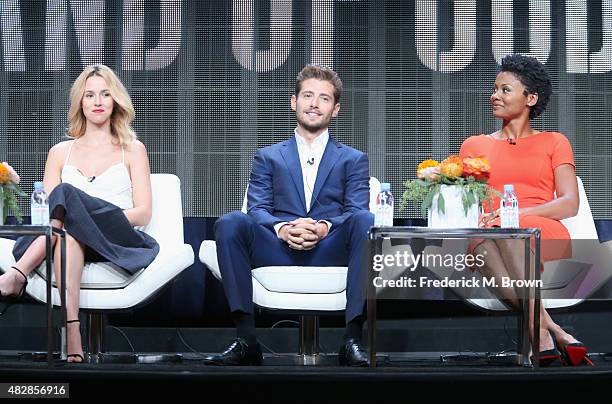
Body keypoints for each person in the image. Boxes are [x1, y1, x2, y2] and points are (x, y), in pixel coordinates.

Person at [206, 64, 374, 366]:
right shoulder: (268, 156)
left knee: (367, 222)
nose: (314, 103)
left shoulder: (353, 159)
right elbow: (257, 210)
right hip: (278, 248)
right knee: (232, 222)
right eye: (307, 96)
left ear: (336, 109)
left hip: (329, 249)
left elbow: (356, 211)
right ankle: (246, 340)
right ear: (293, 102)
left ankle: (352, 340)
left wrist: (323, 227)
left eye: (324, 99)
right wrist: (283, 228)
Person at [0, 64, 159, 363]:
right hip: (64, 240)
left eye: (105, 94)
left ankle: (17, 274)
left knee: (67, 197)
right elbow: (48, 214)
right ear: (80, 103)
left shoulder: (133, 149)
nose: (97, 102)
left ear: (115, 101)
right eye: (89, 95)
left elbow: (143, 213)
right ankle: (72, 328)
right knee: (68, 227)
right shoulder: (60, 152)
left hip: (114, 239)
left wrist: (92, 216)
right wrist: (78, 220)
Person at [460, 54, 590, 366]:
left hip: (545, 232)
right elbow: (466, 201)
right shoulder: (474, 145)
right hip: (491, 237)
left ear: (530, 98)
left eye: (505, 90)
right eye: (495, 89)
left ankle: (543, 333)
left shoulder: (555, 142)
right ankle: (552, 330)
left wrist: (515, 217)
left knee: (509, 230)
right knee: (484, 242)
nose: (495, 96)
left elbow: (569, 203)